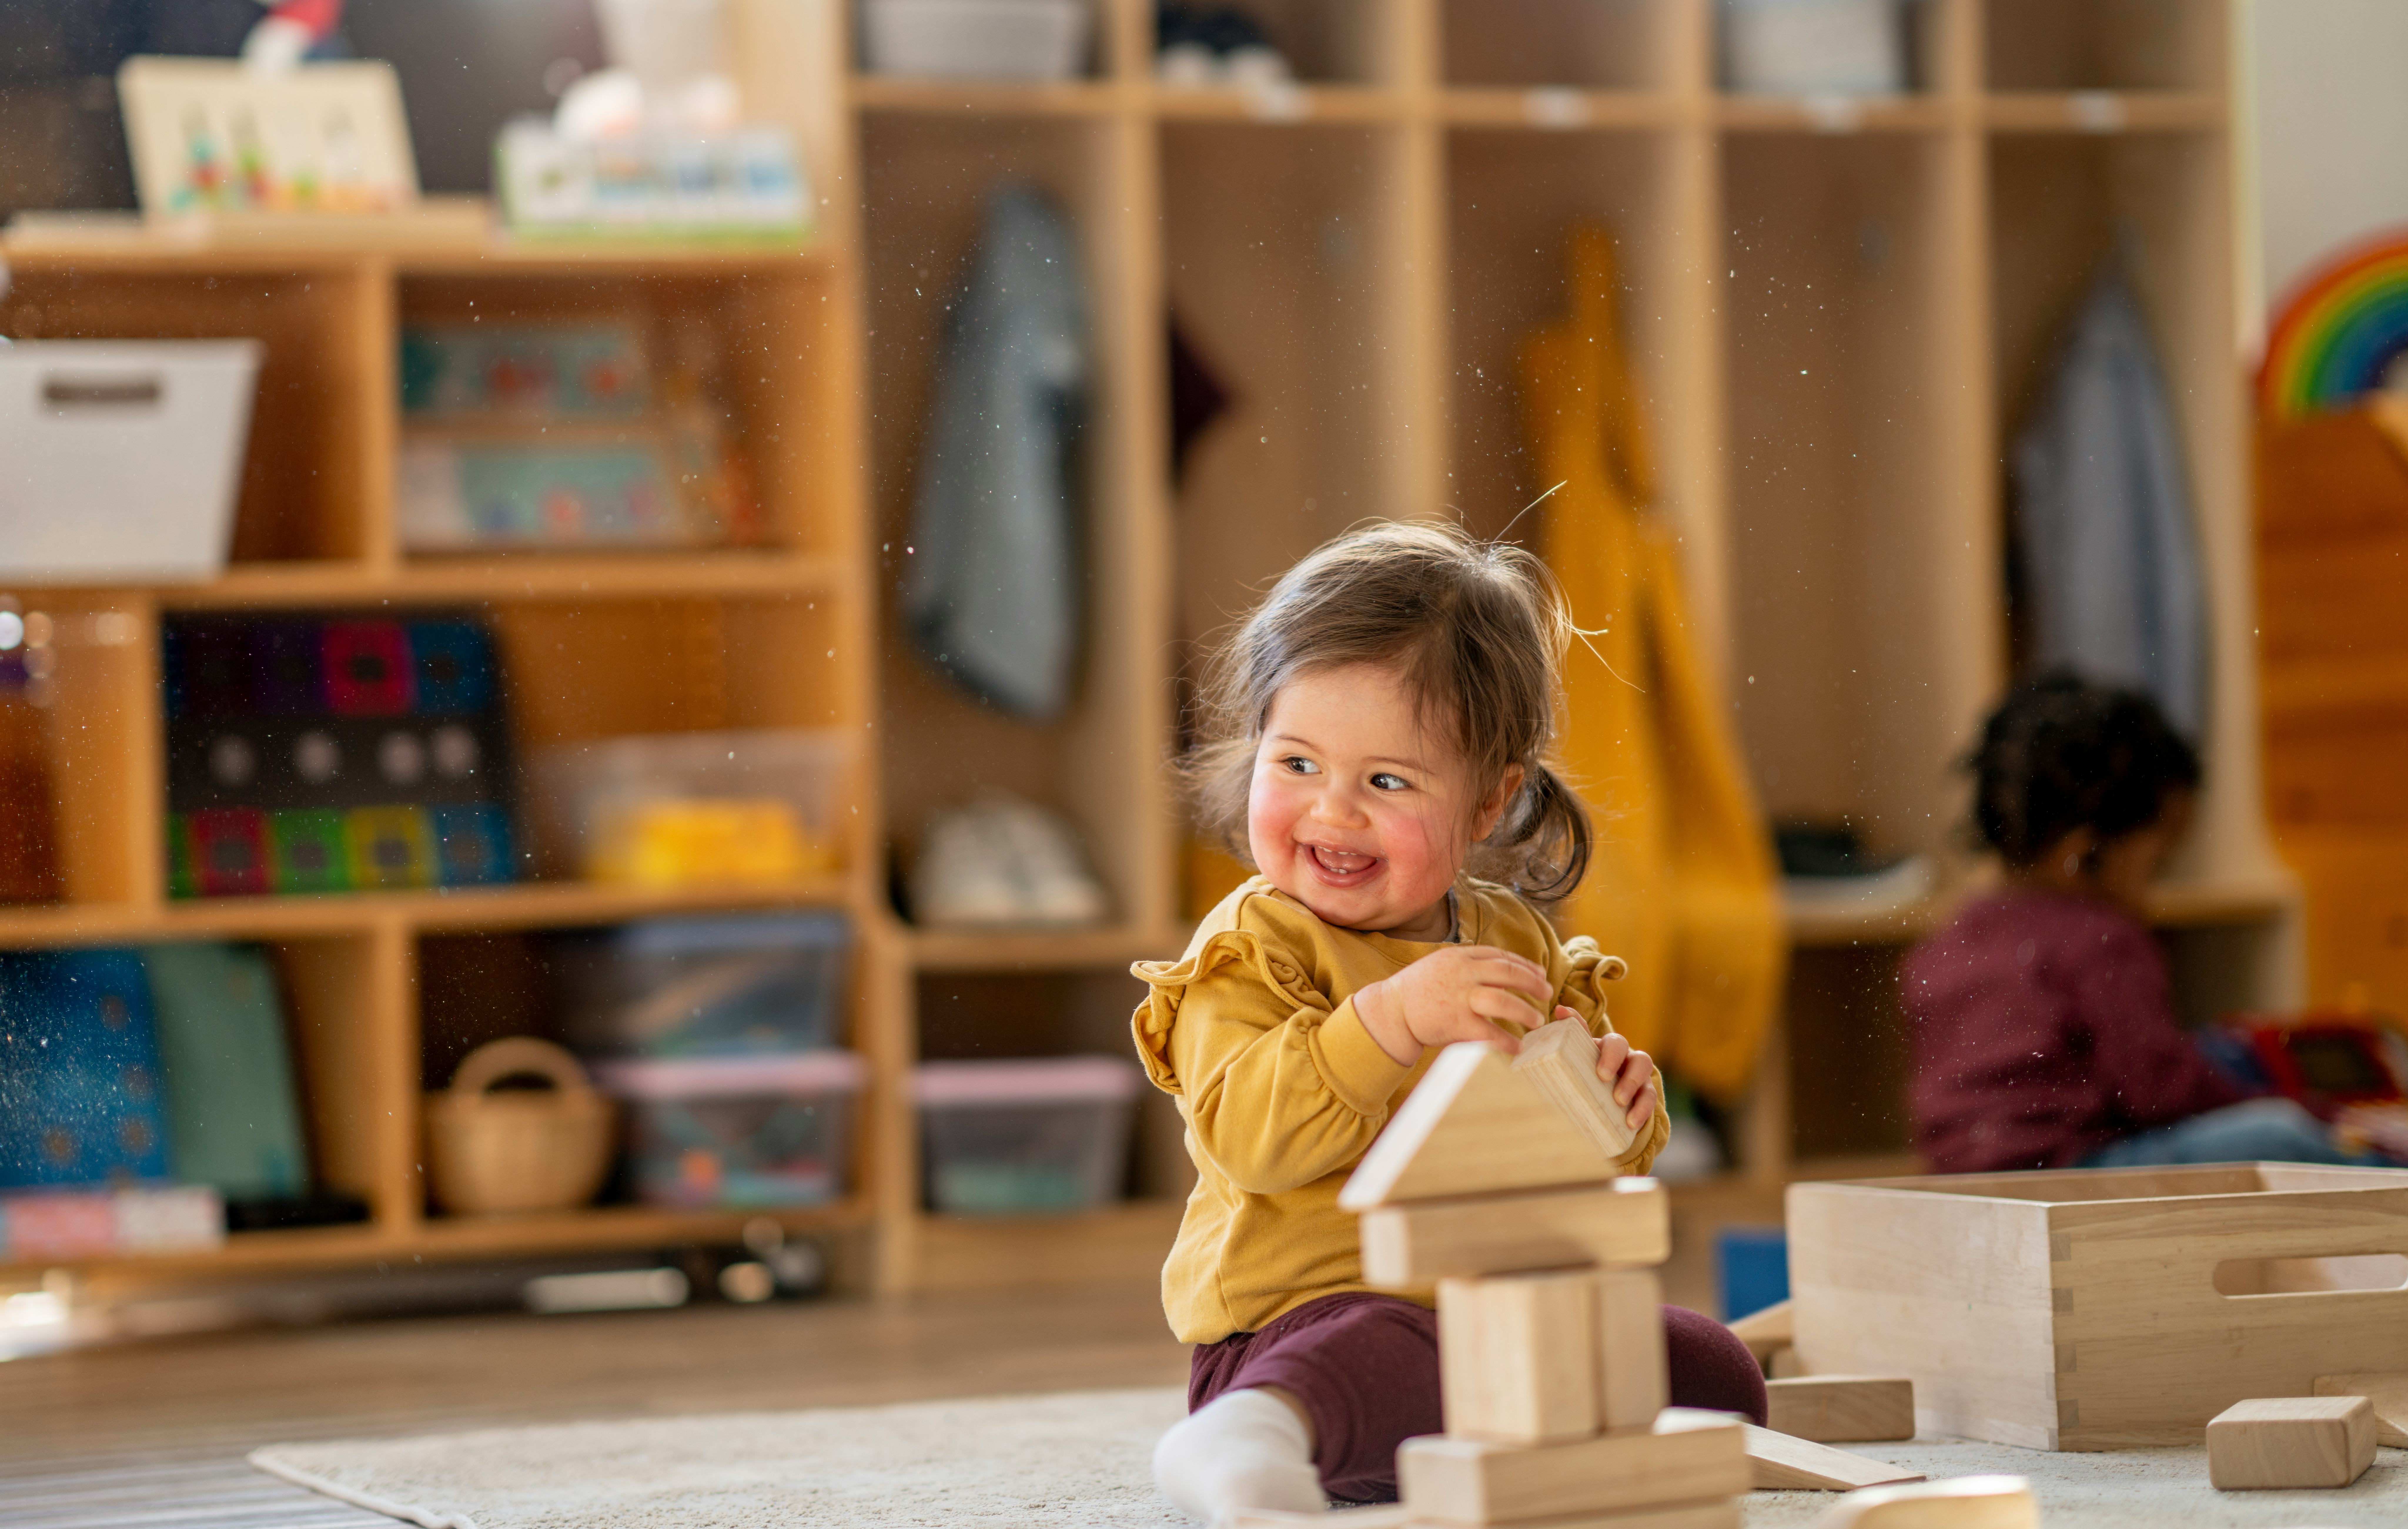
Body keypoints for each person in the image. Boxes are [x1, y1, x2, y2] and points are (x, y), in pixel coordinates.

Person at [1132, 523, 1766, 1524]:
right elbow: (1249, 1139)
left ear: (1487, 802)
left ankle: (1499, 1428)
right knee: (1379, 1348)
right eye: (1296, 762)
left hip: (1490, 1305)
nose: (1331, 814)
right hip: (1297, 1332)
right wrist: (1387, 1020)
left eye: (1387, 782)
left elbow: (1569, 1148)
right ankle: (1243, 1441)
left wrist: (1623, 1113)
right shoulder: (1252, 946)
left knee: (1715, 1368)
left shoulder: (1515, 938)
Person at [1904, 669, 2354, 1173]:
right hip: (2074, 1176)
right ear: (2083, 854)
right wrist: (2289, 1111)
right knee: (2282, 1135)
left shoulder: (1947, 941)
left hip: (1962, 1187)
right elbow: (2159, 1090)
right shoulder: (2101, 938)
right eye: (2157, 865)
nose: (2154, 894)